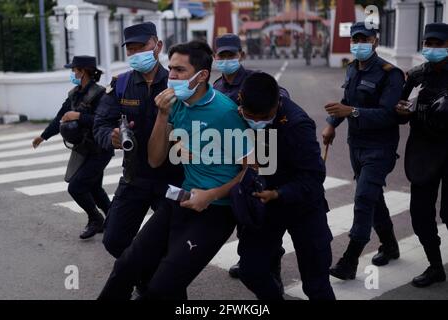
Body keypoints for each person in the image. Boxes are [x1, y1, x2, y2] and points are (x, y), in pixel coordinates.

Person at [97, 40, 253, 300]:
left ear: (202, 76)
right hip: (181, 198)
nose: (171, 76)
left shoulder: (226, 112)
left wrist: (212, 194)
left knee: (162, 286)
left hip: (217, 209)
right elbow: (155, 159)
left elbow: (254, 169)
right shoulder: (175, 107)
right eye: (170, 69)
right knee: (126, 265)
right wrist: (161, 115)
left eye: (180, 70)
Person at [236, 72, 335, 300]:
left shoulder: (297, 124)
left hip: (303, 206)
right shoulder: (238, 110)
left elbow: (313, 177)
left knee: (316, 284)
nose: (256, 122)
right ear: (241, 100)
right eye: (251, 116)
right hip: (265, 206)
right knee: (250, 270)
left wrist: (279, 193)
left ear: (276, 104)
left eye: (264, 117)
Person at [321, 22, 405, 280]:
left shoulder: (390, 73)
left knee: (363, 199)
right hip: (355, 145)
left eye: (364, 38)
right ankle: (390, 245)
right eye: (355, 38)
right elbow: (347, 102)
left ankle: (350, 260)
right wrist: (332, 124)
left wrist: (353, 112)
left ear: (375, 41)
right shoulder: (352, 69)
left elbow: (389, 115)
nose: (358, 43)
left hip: (379, 148)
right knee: (373, 196)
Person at [93, 22, 183, 259]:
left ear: (158, 45)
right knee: (114, 240)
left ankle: (159, 286)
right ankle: (143, 277)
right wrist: (110, 138)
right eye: (130, 49)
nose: (136, 53)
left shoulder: (176, 83)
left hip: (172, 177)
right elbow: (100, 124)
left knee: (169, 240)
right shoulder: (121, 85)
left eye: (142, 45)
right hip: (135, 176)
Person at [212, 33, 288, 281]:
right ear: (215, 57)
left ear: (241, 55)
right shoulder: (216, 87)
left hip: (262, 155)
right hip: (232, 158)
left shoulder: (255, 79)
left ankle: (273, 264)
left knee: (264, 214)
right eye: (222, 56)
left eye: (231, 55)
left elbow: (280, 96)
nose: (226, 60)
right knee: (242, 212)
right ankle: (247, 259)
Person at [32, 55, 112, 239]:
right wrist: (43, 136)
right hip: (84, 149)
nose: (72, 73)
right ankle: (113, 220)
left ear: (83, 71)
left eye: (74, 70)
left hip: (100, 150)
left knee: (76, 187)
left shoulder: (100, 94)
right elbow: (61, 116)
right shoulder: (74, 94)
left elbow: (104, 121)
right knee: (94, 188)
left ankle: (95, 219)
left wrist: (78, 116)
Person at [396, 22, 448, 287]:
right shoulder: (415, 75)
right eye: (429, 43)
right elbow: (401, 112)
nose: (432, 48)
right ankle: (436, 266)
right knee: (420, 214)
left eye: (439, 44)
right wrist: (401, 111)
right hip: (423, 152)